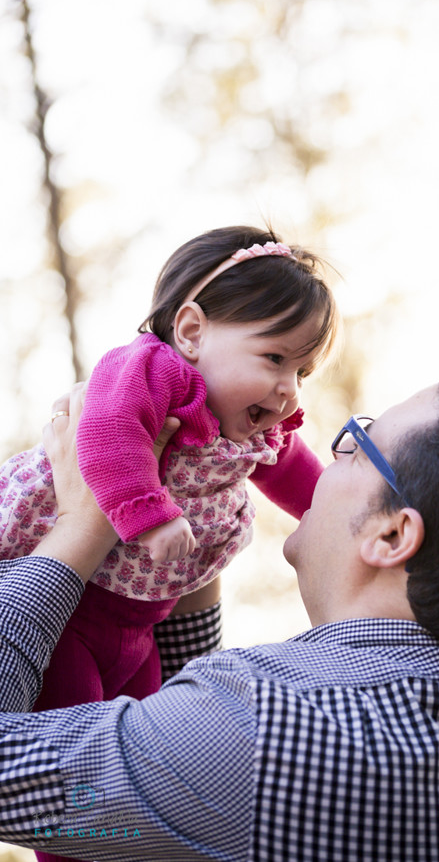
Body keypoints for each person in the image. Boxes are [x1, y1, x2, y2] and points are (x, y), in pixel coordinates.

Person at [1, 361, 439, 861]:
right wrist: (191, 556)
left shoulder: (261, 728)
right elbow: (192, 799)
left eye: (358, 445)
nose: (326, 455)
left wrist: (79, 530)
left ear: (391, 536)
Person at [0, 225, 338, 862]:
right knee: (78, 785)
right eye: (274, 358)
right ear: (190, 332)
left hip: (140, 629)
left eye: (303, 369)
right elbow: (106, 432)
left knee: (154, 759)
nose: (290, 387)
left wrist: (329, 518)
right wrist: (149, 515)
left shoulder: (252, 427)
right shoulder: (148, 371)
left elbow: (296, 473)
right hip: (65, 617)